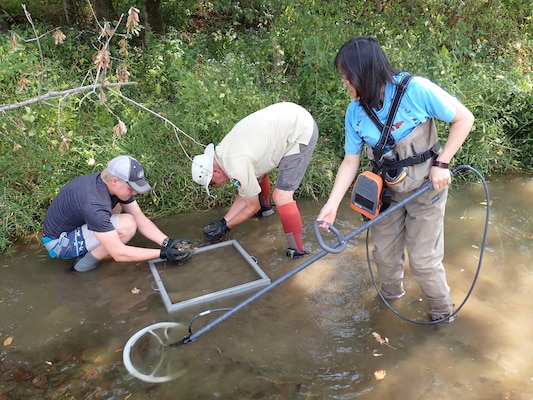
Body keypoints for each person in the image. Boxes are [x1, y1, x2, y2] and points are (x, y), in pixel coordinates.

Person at [316, 36, 474, 322]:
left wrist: (442, 163)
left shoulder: (415, 90)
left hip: (427, 189)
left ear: (363, 72)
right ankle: (389, 309)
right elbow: (350, 161)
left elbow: (464, 119)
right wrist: (332, 204)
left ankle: (442, 317)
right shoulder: (354, 113)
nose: (344, 84)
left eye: (346, 77)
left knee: (424, 262)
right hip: (386, 196)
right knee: (385, 260)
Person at [191, 102, 319, 259]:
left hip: (300, 131)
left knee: (282, 196)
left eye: (212, 183)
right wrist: (223, 221)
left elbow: (251, 205)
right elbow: (246, 192)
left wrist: (226, 227)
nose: (216, 186)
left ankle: (297, 251)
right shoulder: (223, 152)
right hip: (289, 116)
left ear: (215, 171)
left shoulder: (235, 166)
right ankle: (266, 211)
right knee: (255, 174)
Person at [42, 155, 192, 272]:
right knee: (127, 225)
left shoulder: (109, 185)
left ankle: (97, 245)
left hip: (76, 227)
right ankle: (81, 266)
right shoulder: (94, 203)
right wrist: (163, 254)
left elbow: (140, 218)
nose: (134, 192)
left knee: (128, 217)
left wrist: (168, 242)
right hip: (59, 244)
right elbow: (119, 254)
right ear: (115, 181)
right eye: (131, 188)